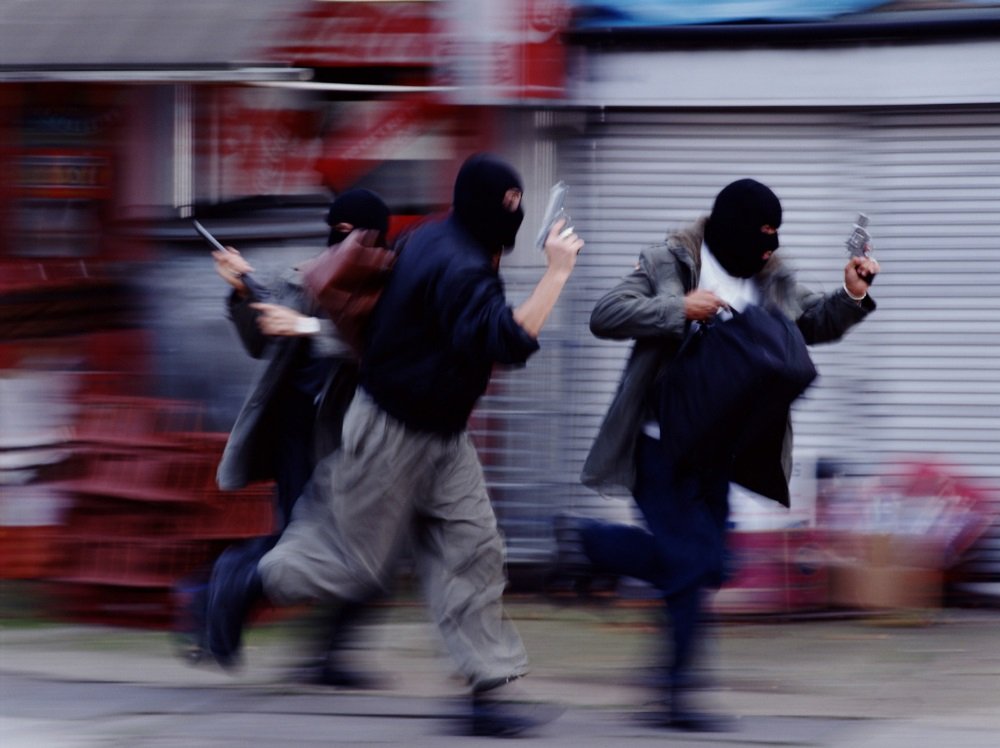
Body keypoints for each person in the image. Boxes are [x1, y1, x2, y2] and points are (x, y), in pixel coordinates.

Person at [206, 152, 584, 736]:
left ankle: (489, 691)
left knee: (473, 552)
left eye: (519, 201)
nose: (517, 211)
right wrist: (556, 273)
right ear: (482, 205)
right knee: (351, 565)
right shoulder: (459, 264)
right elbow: (507, 341)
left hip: (444, 433)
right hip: (391, 431)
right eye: (508, 202)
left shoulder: (432, 236)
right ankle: (244, 580)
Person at [561, 178, 880, 731]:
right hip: (660, 443)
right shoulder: (670, 263)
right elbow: (606, 313)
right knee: (691, 565)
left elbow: (813, 322)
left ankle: (588, 544)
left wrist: (851, 296)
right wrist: (678, 308)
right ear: (733, 229)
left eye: (775, 235)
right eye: (763, 234)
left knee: (710, 565)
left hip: (717, 451)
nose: (770, 247)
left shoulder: (771, 277)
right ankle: (677, 695)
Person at [179, 189, 392, 685]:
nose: (346, 240)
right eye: (341, 230)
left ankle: (321, 653)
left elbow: (377, 345)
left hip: (363, 438)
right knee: (308, 544)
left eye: (357, 231)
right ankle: (216, 592)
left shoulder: (387, 284)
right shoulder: (303, 277)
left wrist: (306, 327)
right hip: (303, 437)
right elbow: (260, 343)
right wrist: (241, 293)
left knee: (378, 548)